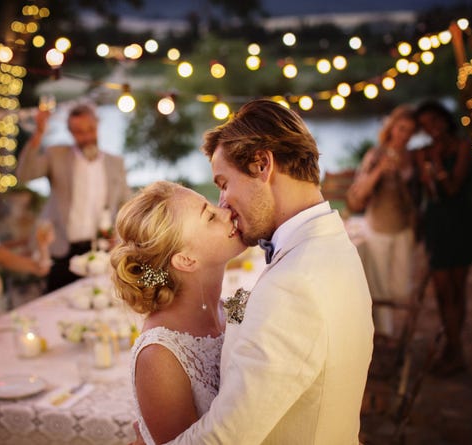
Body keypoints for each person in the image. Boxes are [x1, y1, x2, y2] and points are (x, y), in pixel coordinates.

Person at [150, 99, 374, 444]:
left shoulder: (294, 284)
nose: (223, 202)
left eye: (224, 183)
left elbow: (226, 438)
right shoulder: (334, 244)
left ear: (262, 165)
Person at [110, 181, 246, 444]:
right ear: (186, 260)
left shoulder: (236, 309)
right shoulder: (160, 356)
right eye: (210, 216)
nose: (227, 211)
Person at [15, 102, 131, 292]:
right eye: (78, 131)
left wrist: (119, 236)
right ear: (69, 132)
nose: (86, 136)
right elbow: (24, 174)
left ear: (97, 126)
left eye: (90, 129)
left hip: (101, 249)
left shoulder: (115, 163)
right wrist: (39, 133)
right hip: (61, 248)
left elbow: (126, 204)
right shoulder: (57, 155)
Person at [346, 105, 420, 337]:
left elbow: (416, 195)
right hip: (378, 227)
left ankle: (397, 335)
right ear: (391, 128)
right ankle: (385, 336)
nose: (404, 135)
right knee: (380, 288)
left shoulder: (412, 157)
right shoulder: (376, 155)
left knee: (401, 287)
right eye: (401, 128)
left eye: (410, 131)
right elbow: (358, 194)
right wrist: (380, 170)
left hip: (403, 228)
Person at [413, 100, 472, 376]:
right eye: (425, 126)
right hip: (437, 224)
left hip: (461, 222)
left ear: (444, 119)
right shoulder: (421, 153)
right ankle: (454, 349)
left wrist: (436, 163)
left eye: (434, 121)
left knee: (458, 290)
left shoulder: (463, 147)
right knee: (441, 291)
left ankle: (454, 350)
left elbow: (452, 187)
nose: (432, 129)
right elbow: (430, 194)